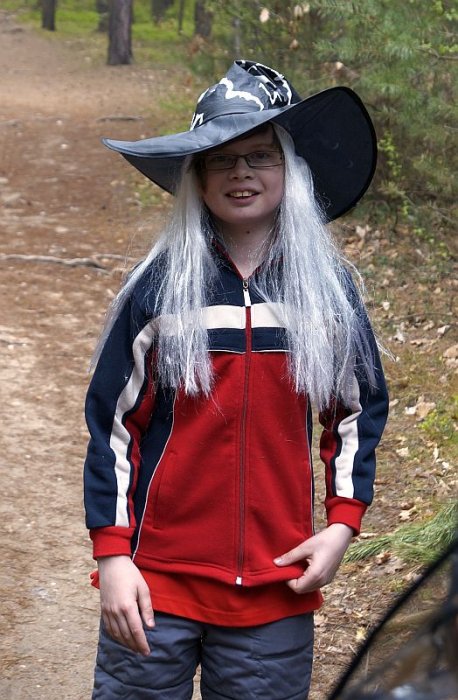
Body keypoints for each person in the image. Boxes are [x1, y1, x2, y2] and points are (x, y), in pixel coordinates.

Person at [83, 60, 389, 699]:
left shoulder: (326, 295)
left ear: (290, 169)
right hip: (155, 581)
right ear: (196, 178)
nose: (240, 172)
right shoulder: (159, 289)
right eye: (219, 159)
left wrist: (341, 525)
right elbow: (114, 427)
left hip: (276, 588)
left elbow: (356, 412)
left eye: (259, 156)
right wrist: (113, 558)